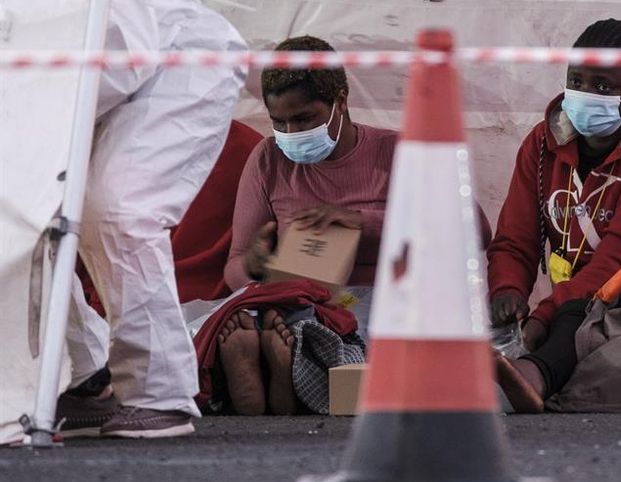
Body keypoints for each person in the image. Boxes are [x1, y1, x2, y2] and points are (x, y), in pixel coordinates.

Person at [56, 0, 246, 437]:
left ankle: (158, 394)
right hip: (91, 86)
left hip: (179, 60)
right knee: (25, 223)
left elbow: (119, 48)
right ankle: (83, 379)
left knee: (121, 212)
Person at [488, 19, 621, 411]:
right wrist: (507, 290)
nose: (585, 94)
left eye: (604, 86)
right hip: (572, 297)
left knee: (577, 320)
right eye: (577, 80)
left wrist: (546, 314)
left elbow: (620, 261)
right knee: (500, 322)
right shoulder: (542, 142)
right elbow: (515, 238)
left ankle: (533, 379)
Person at [217, 35, 398, 416]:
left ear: (341, 100)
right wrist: (253, 265)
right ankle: (280, 369)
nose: (291, 132)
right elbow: (235, 266)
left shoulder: (394, 151)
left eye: (303, 118)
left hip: (377, 296)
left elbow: (474, 229)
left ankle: (284, 374)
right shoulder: (268, 158)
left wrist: (361, 222)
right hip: (292, 298)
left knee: (346, 330)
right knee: (236, 320)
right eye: (278, 121)